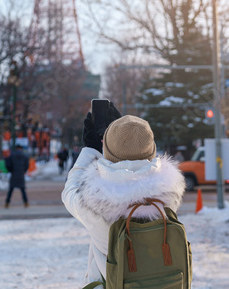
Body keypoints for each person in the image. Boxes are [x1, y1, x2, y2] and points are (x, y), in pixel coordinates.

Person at [62, 112, 186, 288]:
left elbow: (70, 191)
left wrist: (90, 148)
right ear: (152, 148)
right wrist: (129, 138)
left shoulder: (94, 203)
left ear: (107, 150)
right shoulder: (170, 191)